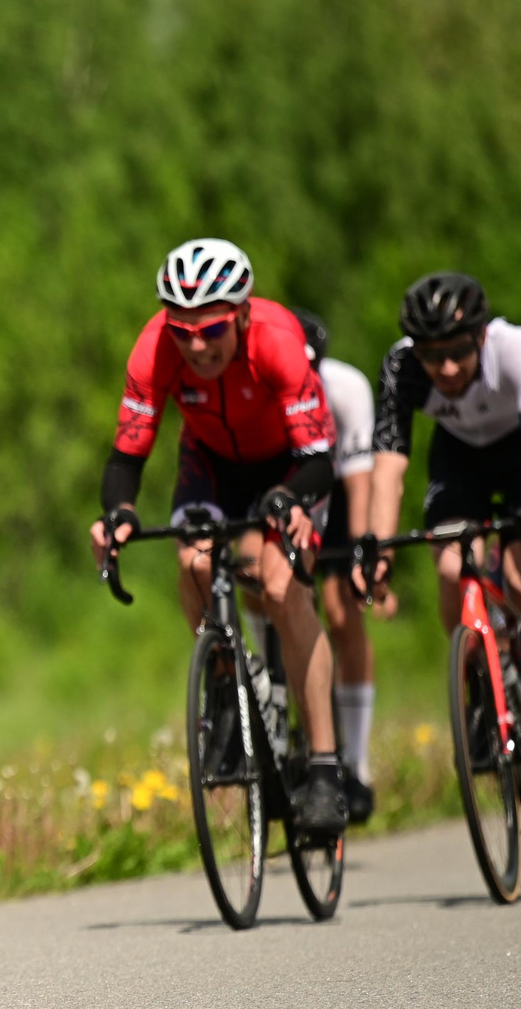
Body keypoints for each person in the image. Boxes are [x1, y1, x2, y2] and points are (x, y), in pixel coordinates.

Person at [89, 240, 350, 836]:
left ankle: (325, 767)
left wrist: (289, 498)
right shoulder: (154, 348)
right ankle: (228, 688)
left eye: (210, 329)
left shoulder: (278, 341)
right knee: (195, 564)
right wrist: (119, 513)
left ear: (242, 314)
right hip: (209, 461)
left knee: (281, 588)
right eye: (183, 332)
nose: (197, 347)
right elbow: (126, 456)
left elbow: (318, 459)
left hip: (289, 468)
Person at [361, 271, 521, 817]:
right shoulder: (401, 367)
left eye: (458, 353)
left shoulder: (516, 349)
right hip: (459, 460)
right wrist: (379, 552)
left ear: (480, 337)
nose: (446, 368)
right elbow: (389, 468)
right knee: (451, 568)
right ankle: (479, 690)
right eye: (432, 356)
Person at [296, 307, 390, 824]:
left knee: (341, 611)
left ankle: (355, 760)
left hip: (334, 492)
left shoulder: (345, 388)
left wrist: (359, 553)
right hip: (291, 491)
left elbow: (359, 481)